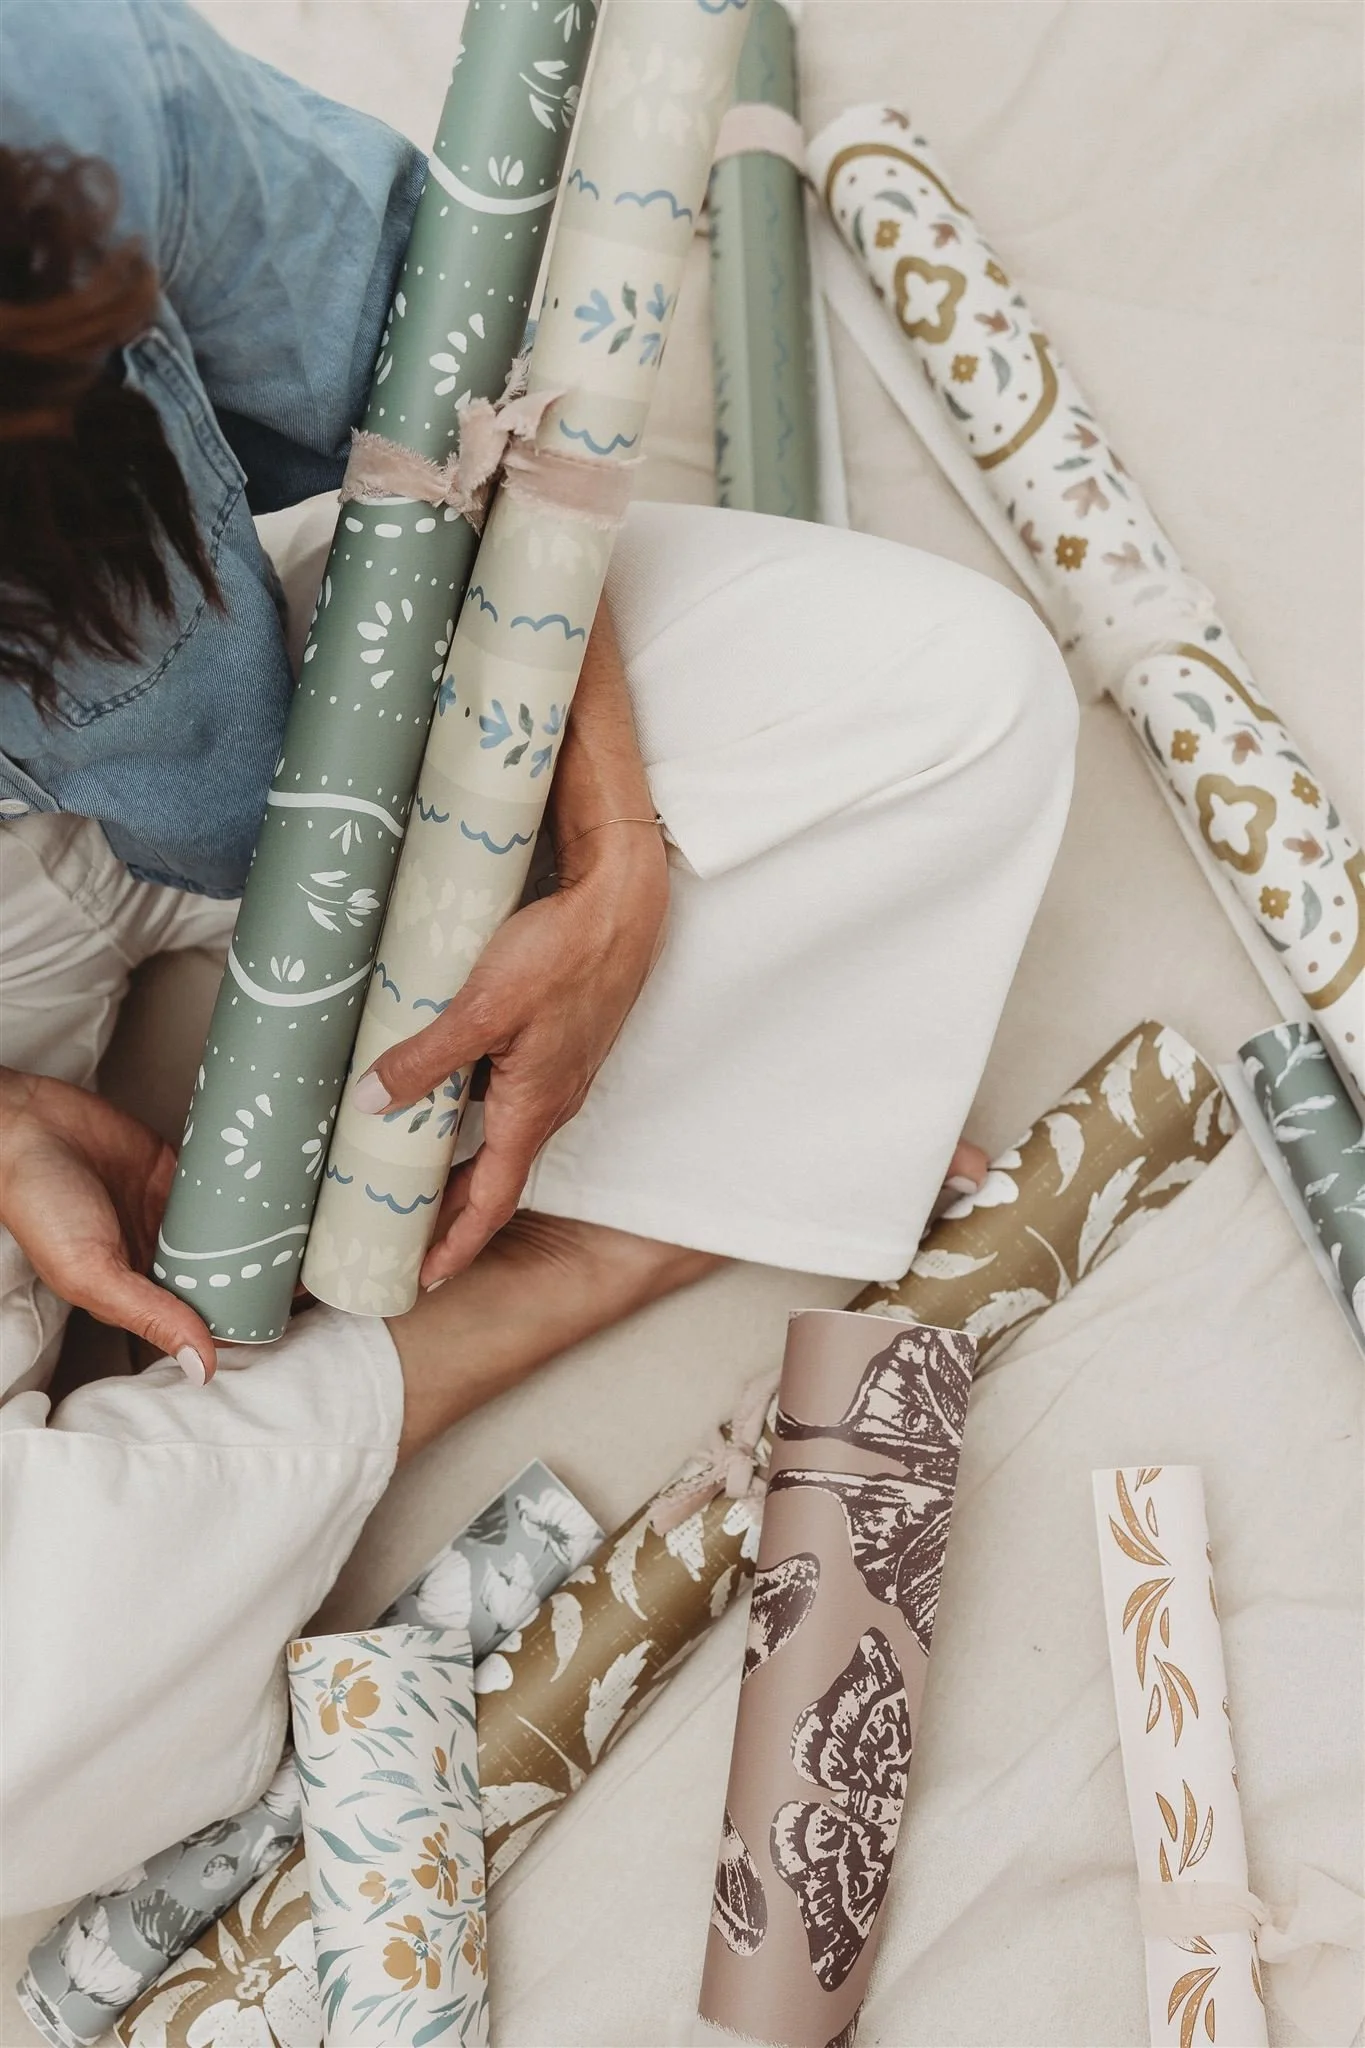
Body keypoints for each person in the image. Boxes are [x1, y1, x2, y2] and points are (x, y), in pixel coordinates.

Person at [0, 0, 1077, 1912]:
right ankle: (555, 1282)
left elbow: (443, 339)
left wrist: (612, 843)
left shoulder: (42, 96)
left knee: (964, 704)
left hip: (313, 718)